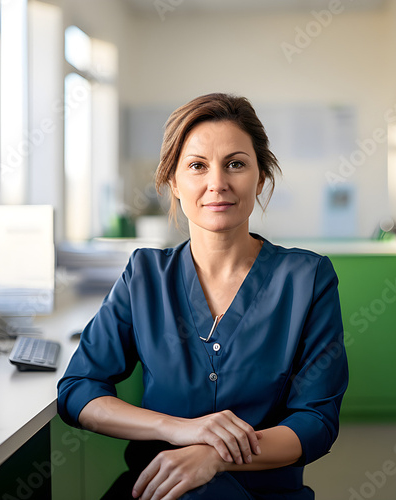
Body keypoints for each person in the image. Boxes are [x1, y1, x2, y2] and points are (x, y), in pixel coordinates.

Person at [57, 93, 349, 500]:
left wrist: (216, 456)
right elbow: (78, 389)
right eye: (197, 166)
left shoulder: (306, 279)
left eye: (236, 164)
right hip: (161, 492)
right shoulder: (145, 276)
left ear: (260, 177)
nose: (218, 184)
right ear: (173, 182)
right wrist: (176, 428)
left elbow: (316, 421)